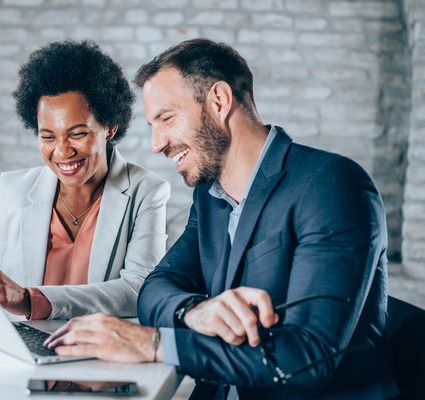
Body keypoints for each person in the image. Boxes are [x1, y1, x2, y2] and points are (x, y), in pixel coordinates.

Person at [44, 39, 399, 399]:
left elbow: (305, 359)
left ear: (218, 101)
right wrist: (192, 312)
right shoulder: (210, 195)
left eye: (166, 118)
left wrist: (153, 344)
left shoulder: (331, 184)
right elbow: (155, 288)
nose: (156, 143)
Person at [0, 40, 170, 320]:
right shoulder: (9, 191)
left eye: (78, 134)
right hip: (24, 348)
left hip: (98, 353)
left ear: (110, 128)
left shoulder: (146, 192)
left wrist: (30, 300)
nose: (63, 151)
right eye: (48, 136)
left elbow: (139, 289)